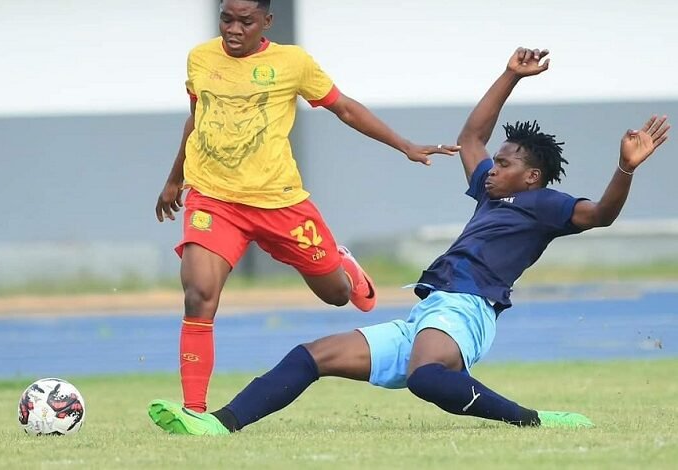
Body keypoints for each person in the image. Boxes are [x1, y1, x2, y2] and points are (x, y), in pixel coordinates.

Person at [148, 46, 670, 435]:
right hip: (429, 311)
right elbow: (471, 139)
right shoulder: (491, 194)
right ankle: (219, 424)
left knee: (425, 377)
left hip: (467, 310)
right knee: (312, 355)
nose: (493, 168)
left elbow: (600, 215)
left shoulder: (544, 207)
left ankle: (534, 420)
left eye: (505, 164)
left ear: (531, 178)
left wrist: (624, 168)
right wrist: (510, 75)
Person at [151, 0, 459, 416]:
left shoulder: (292, 63)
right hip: (214, 198)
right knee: (199, 296)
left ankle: (342, 264)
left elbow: (345, 108)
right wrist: (175, 178)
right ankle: (194, 413)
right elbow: (198, 118)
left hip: (281, 203)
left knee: (336, 295)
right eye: (227, 19)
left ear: (267, 21)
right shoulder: (200, 58)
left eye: (246, 21)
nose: (234, 29)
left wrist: (404, 145)